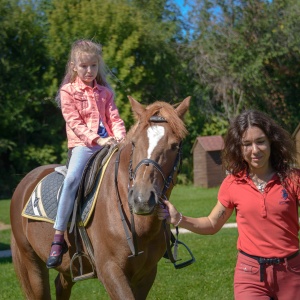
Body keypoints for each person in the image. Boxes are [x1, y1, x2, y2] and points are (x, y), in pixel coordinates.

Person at [158, 110, 300, 299]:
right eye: (247, 144)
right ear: (239, 148)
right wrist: (178, 218)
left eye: (260, 141)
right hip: (250, 274)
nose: (255, 150)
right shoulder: (233, 183)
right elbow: (211, 224)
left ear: (271, 142)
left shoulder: (292, 179)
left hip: (292, 272)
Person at [46, 39, 126, 268]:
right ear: (74, 66)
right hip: (83, 145)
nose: (89, 70)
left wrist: (120, 138)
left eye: (93, 65)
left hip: (108, 143)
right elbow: (74, 123)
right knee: (72, 180)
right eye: (84, 66)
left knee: (131, 170)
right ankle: (58, 236)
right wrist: (97, 139)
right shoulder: (67, 92)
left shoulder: (105, 92)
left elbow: (114, 118)